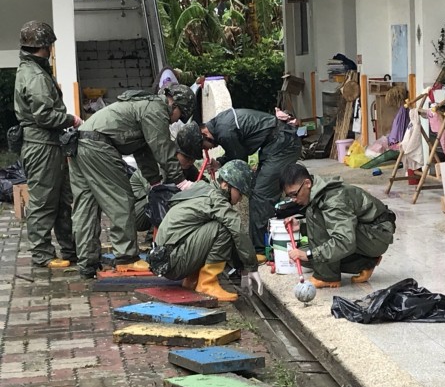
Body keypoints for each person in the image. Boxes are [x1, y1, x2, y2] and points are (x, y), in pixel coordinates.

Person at [70, 84, 196, 279]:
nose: (175, 121)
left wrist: (155, 183)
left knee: (87, 204)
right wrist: (181, 182)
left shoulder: (143, 106)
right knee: (121, 199)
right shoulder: (157, 109)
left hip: (80, 141)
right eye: (179, 116)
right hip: (99, 145)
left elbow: (143, 151)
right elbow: (162, 149)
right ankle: (126, 258)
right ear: (176, 105)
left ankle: (87, 262)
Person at [176, 108, 302, 261]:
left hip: (283, 145)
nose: (208, 149)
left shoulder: (225, 132)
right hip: (275, 144)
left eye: (203, 147)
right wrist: (220, 163)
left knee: (261, 194)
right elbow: (237, 153)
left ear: (205, 135)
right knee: (260, 189)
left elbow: (240, 162)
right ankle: (268, 242)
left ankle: (260, 251)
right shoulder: (219, 125)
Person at [13, 21, 82, 268]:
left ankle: (70, 249)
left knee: (62, 199)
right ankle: (42, 254)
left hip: (49, 145)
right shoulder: (35, 76)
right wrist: (71, 119)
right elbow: (44, 116)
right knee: (44, 200)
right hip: (41, 146)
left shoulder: (34, 71)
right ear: (44, 46)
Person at [150, 160, 262, 302]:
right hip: (172, 262)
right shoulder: (216, 199)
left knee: (214, 225)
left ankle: (192, 280)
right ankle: (207, 284)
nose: (240, 199)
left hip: (166, 258)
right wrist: (251, 267)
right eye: (240, 193)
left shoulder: (203, 188)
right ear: (225, 185)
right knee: (223, 228)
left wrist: (244, 262)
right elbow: (237, 230)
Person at [281, 163, 396, 288]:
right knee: (304, 258)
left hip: (377, 235)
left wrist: (309, 255)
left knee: (310, 253)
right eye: (289, 196)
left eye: (294, 194)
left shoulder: (333, 200)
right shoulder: (319, 193)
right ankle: (365, 263)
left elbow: (345, 241)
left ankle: (327, 277)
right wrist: (301, 226)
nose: (293, 199)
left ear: (307, 183)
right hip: (367, 234)